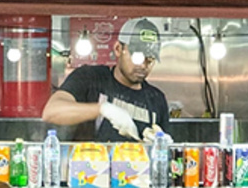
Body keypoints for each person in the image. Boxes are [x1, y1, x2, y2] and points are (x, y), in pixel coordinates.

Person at [42, 18, 170, 142]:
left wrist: (159, 144)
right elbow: (51, 112)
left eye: (150, 60)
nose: (143, 66)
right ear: (118, 49)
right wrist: (104, 109)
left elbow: (162, 156)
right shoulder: (90, 78)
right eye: (137, 58)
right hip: (88, 162)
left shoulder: (156, 99)